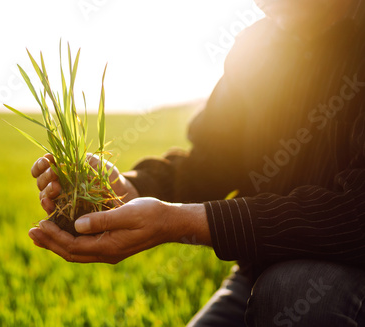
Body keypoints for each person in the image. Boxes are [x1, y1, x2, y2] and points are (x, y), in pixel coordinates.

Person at [28, 0, 365, 325]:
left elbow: (357, 212)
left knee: (291, 290)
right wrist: (130, 188)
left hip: (335, 281)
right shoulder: (257, 47)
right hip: (256, 274)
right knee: (279, 287)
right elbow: (212, 161)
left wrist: (178, 222)